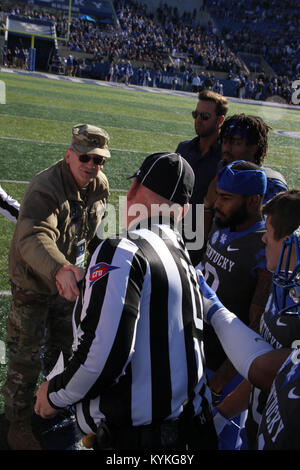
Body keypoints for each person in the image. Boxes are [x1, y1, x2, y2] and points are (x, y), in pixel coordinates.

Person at [34, 152, 220, 451]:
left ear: (133, 189)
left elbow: (103, 356)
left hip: (137, 441)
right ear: (183, 212)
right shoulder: (182, 256)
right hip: (189, 432)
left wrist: (53, 395)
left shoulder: (122, 249)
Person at [2, 123, 111, 450]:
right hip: (34, 283)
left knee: (65, 350)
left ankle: (53, 404)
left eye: (100, 160)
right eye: (86, 158)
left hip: (69, 283)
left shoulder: (98, 186)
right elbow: (33, 235)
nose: (92, 166)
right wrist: (59, 268)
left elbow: (94, 233)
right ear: (69, 155)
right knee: (25, 356)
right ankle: (17, 423)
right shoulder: (44, 187)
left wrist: (102, 260)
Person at [213, 190, 300, 449]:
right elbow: (258, 375)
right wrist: (223, 413)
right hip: (259, 429)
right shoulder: (282, 285)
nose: (263, 237)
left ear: (288, 243)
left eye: (268, 231)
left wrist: (212, 308)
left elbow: (263, 367)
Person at [197, 160, 273, 449]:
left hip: (223, 372)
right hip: (198, 354)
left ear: (253, 200)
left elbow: (258, 328)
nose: (218, 203)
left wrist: (221, 383)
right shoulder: (223, 222)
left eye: (227, 198)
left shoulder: (263, 247)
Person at [204, 114, 288, 240]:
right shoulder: (223, 174)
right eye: (225, 141)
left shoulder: (273, 185)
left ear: (254, 147)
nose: (227, 148)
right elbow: (206, 236)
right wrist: (207, 205)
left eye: (236, 142)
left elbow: (275, 242)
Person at [175, 90, 229, 265]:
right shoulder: (183, 149)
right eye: (195, 114)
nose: (198, 119)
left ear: (220, 120)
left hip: (208, 240)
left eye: (205, 116)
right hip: (178, 231)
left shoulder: (226, 157)